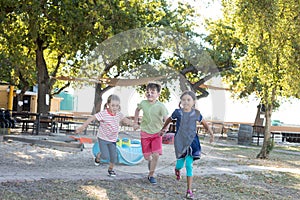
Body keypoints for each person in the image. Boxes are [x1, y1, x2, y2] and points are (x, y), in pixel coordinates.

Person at [159, 90, 214, 199]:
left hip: (192, 142)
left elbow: (205, 123)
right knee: (180, 164)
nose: (186, 102)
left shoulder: (196, 113)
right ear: (181, 102)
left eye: (188, 100)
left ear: (193, 102)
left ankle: (189, 190)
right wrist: (163, 128)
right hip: (180, 142)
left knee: (189, 165)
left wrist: (211, 134)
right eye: (183, 100)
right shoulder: (177, 112)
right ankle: (177, 169)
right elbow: (169, 119)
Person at [76, 94, 135, 177]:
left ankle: (111, 170)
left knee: (114, 156)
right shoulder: (103, 114)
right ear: (108, 105)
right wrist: (83, 127)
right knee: (105, 156)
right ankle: (99, 156)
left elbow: (126, 120)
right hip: (103, 138)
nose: (115, 108)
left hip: (113, 139)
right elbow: (92, 118)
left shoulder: (119, 114)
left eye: (117, 106)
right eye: (113, 105)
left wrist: (134, 125)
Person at [133, 82, 169, 184]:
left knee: (156, 155)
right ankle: (150, 162)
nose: (149, 94)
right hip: (145, 133)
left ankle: (151, 175)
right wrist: (135, 122)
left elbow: (167, 119)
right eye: (147, 92)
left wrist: (164, 129)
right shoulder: (143, 103)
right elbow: (137, 110)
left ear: (158, 94)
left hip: (157, 134)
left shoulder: (161, 106)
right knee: (147, 157)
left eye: (152, 92)